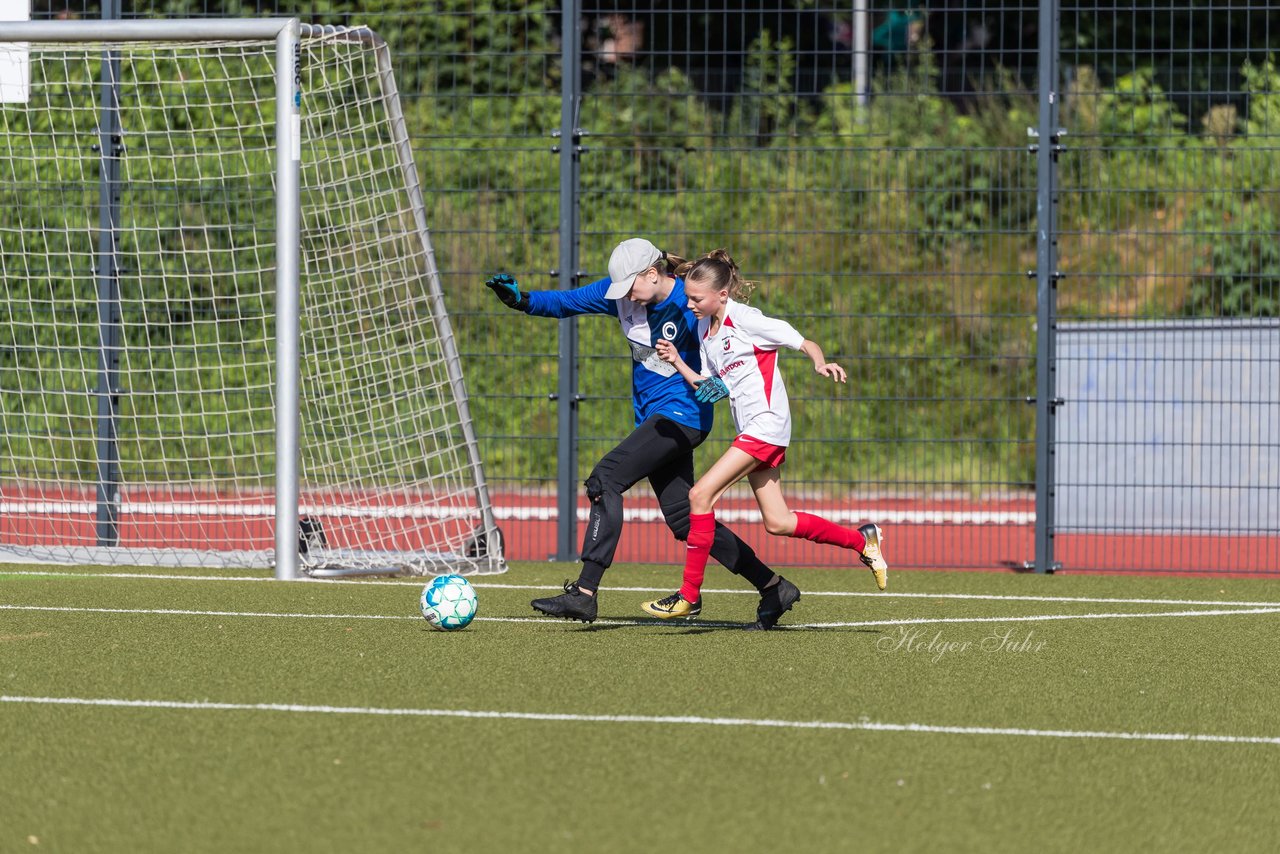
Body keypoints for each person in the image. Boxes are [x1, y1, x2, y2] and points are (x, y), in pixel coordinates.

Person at [483, 238, 803, 629]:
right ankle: (773, 587)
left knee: (606, 478)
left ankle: (584, 593)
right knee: (685, 519)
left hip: (683, 418)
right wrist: (521, 300)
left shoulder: (692, 306)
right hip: (656, 419)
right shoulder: (620, 291)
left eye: (632, 287)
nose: (626, 298)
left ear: (653, 273)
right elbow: (565, 303)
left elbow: (723, 358)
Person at [642, 249, 888, 620]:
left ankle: (689, 595)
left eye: (696, 299)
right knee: (778, 522)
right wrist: (677, 361)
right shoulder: (705, 333)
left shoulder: (748, 320)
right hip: (753, 430)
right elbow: (714, 391)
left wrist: (820, 362)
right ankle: (862, 540)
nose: (689, 304)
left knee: (700, 494)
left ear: (722, 295)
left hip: (767, 425)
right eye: (689, 298)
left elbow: (802, 342)